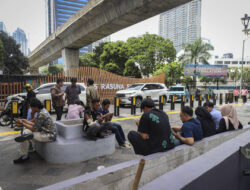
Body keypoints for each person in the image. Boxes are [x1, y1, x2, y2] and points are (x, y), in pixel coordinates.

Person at [13, 98, 56, 164]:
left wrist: (23, 123)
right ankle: (24, 154)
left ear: (35, 107)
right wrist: (25, 121)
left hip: (49, 135)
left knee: (26, 135)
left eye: (31, 107)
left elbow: (34, 129)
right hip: (43, 131)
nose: (31, 109)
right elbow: (35, 124)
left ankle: (24, 156)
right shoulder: (41, 111)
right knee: (26, 132)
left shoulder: (42, 114)